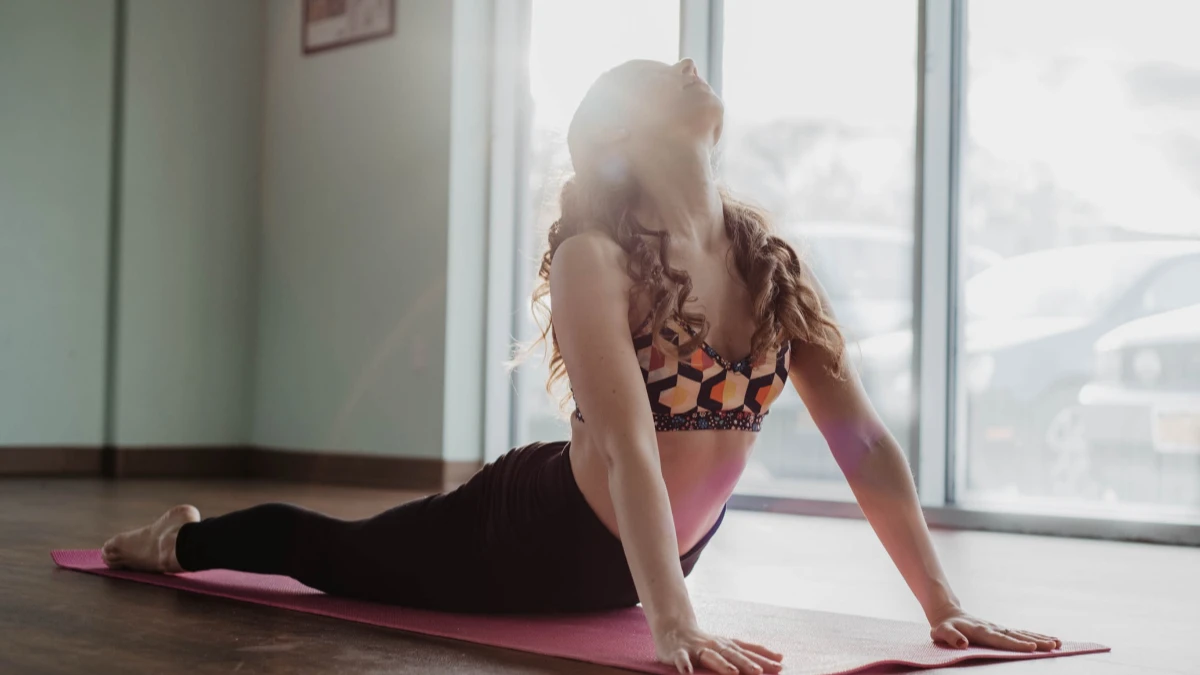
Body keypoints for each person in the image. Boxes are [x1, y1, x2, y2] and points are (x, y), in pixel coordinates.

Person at [101, 58, 1061, 675]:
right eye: (655, 76)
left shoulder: (767, 261)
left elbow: (864, 441)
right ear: (618, 135)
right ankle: (178, 538)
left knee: (342, 557)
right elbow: (633, 446)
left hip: (650, 559)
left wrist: (946, 605)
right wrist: (674, 622)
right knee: (333, 557)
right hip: (527, 533)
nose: (689, 65)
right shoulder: (594, 258)